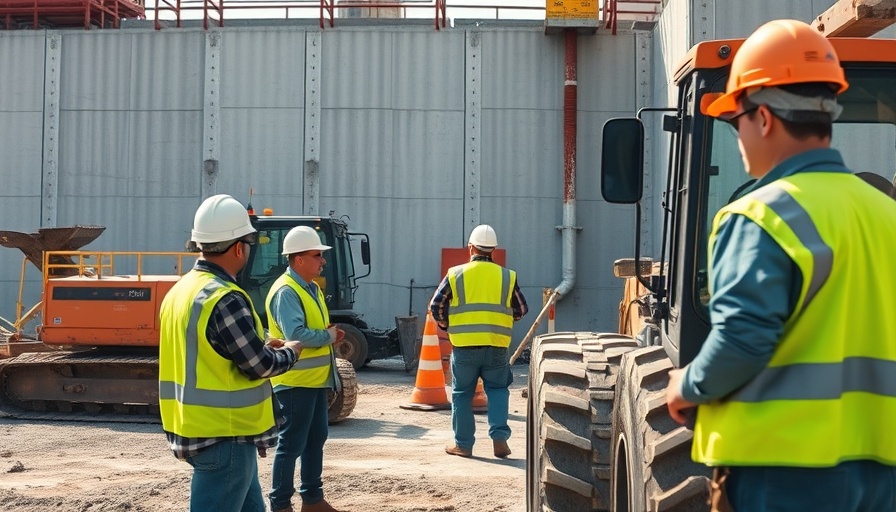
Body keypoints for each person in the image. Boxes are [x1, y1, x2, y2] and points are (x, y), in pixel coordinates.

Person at [664, 19, 896, 511]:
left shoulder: (760, 215)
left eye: (736, 120)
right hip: (882, 472)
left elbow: (744, 339)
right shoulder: (887, 215)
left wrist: (686, 385)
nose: (740, 137)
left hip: (784, 472)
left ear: (763, 117)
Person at [159, 194, 304, 512]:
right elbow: (259, 365)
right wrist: (291, 351)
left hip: (202, 431)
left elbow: (213, 355)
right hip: (224, 437)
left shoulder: (180, 291)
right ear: (240, 247)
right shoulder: (224, 297)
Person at [429, 224, 528, 459]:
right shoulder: (507, 276)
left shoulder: (455, 274)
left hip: (464, 346)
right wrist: (502, 319)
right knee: (497, 390)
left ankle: (463, 445)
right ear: (493, 249)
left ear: (471, 247)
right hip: (496, 345)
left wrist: (446, 325)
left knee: (462, 393)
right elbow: (521, 309)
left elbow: (436, 306)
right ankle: (499, 438)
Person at [266, 226, 346, 512]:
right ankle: (280, 504)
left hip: (314, 380)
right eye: (317, 255)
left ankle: (312, 499)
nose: (322, 261)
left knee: (315, 439)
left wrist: (325, 333)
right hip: (295, 381)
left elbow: (309, 329)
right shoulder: (287, 292)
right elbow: (296, 334)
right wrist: (329, 336)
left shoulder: (309, 288)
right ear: (298, 259)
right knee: (291, 444)